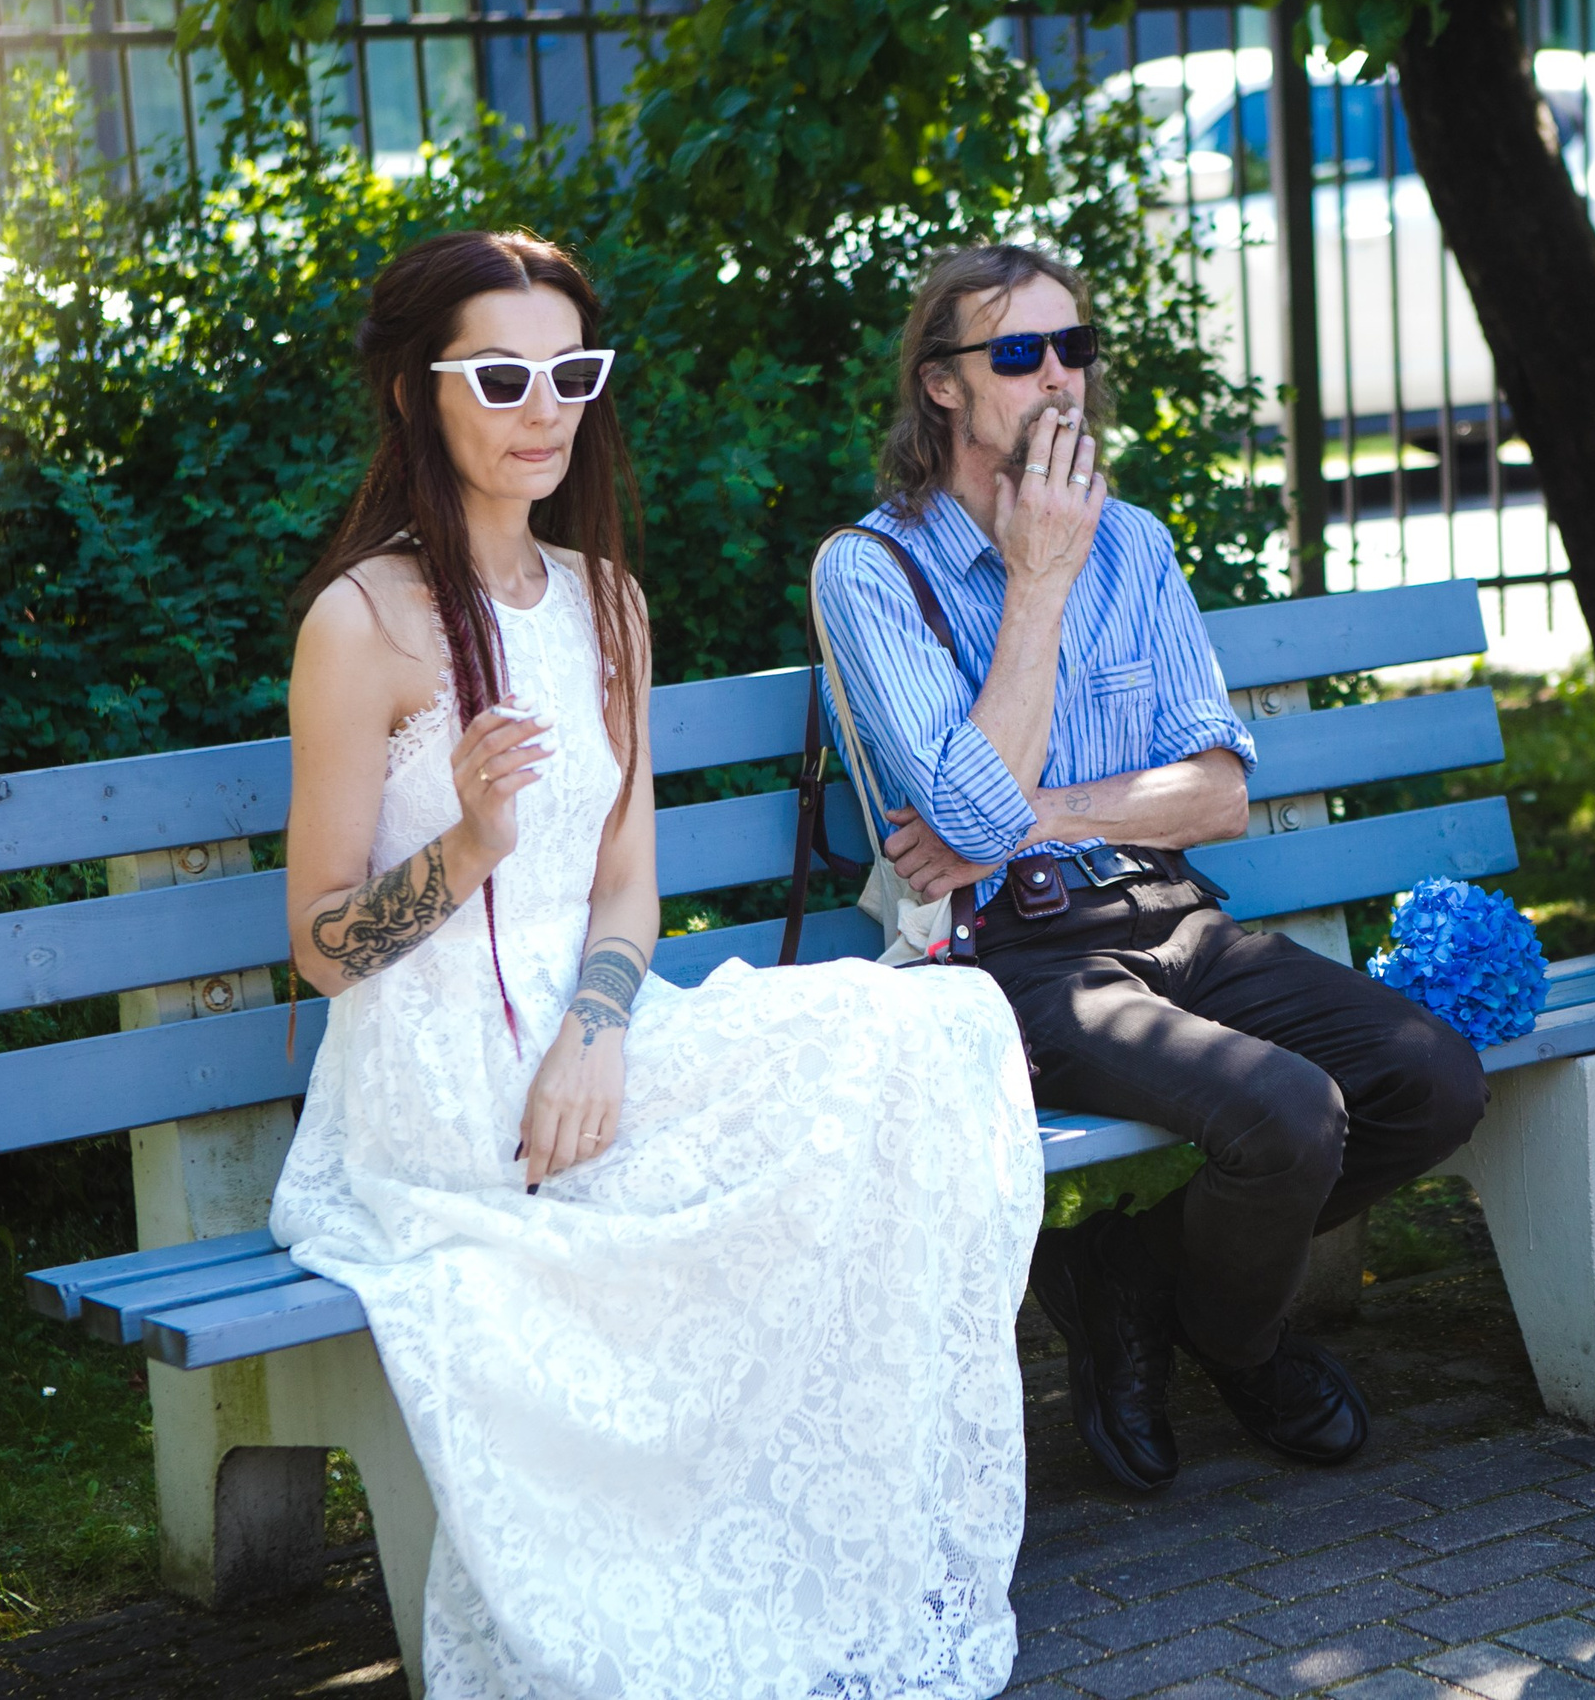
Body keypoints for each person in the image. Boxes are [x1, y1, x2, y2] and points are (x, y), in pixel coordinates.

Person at [266, 229, 1045, 1697]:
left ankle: (832, 1542)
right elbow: (322, 946)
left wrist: (599, 1028)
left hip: (596, 1033)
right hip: (438, 1082)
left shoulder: (607, 600)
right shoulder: (360, 622)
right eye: (500, 374)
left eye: (571, 371)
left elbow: (626, 888)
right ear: (411, 394)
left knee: (929, 1030)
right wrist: (472, 844)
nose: (542, 405)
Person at [812, 242, 1490, 1495]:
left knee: (1430, 1078)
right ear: (943, 385)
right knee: (1288, 1112)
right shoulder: (873, 568)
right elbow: (964, 808)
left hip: (1177, 918)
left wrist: (1033, 810)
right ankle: (1245, 1339)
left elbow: (1220, 797)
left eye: (1074, 347)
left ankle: (1134, 1283)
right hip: (1020, 960)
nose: (1058, 376)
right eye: (1019, 353)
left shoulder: (1137, 544)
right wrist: (1034, 582)